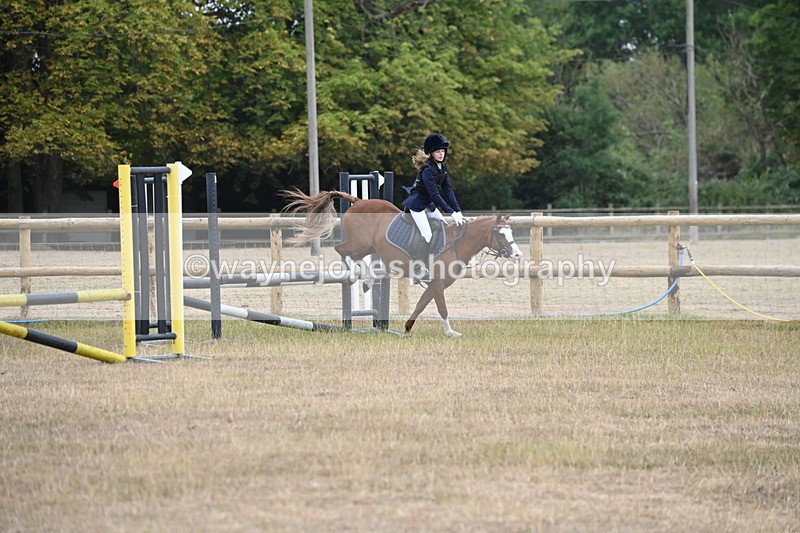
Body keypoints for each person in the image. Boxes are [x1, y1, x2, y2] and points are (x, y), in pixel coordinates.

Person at [401, 133, 466, 282]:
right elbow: (435, 194)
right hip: (417, 205)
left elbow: (448, 189)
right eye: (438, 151)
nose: (441, 153)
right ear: (431, 153)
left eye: (443, 151)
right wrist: (450, 211)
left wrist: (457, 210)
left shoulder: (442, 167)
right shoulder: (428, 170)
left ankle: (435, 262)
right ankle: (417, 269)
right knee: (427, 234)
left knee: (443, 227)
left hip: (428, 205)